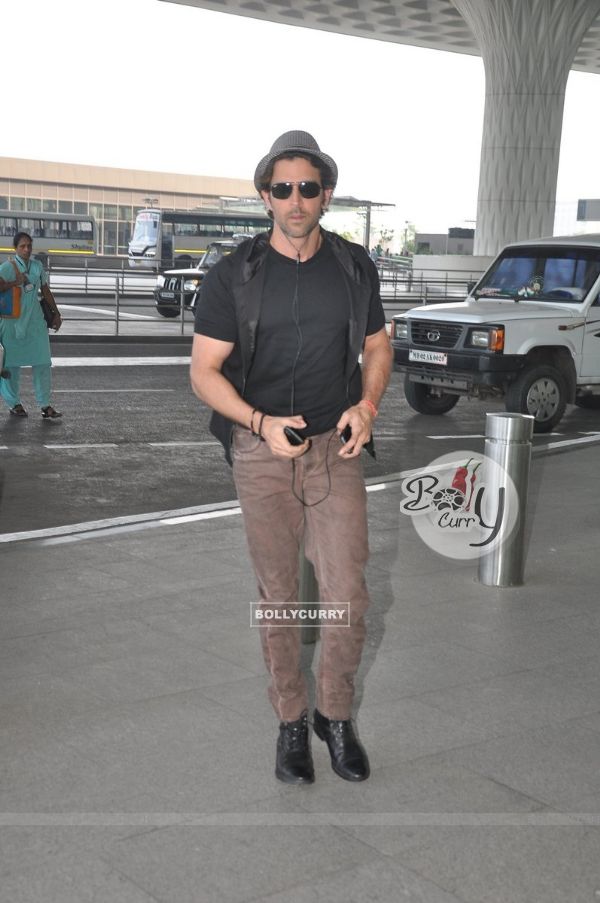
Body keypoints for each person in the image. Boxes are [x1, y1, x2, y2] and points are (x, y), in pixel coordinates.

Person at [190, 131, 392, 785]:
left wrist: (368, 405)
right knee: (279, 597)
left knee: (348, 596)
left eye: (309, 187)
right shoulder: (234, 273)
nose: (296, 199)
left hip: (337, 448)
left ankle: (334, 715)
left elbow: (379, 346)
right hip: (261, 452)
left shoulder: (355, 267)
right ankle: (289, 721)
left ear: (325, 195)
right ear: (265, 196)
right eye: (283, 188)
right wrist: (258, 421)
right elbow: (204, 371)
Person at [0, 232, 63, 418]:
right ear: (15, 248)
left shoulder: (37, 267)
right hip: (12, 322)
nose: (27, 249)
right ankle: (14, 403)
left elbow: (45, 290)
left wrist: (56, 313)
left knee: (43, 362)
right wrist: (13, 283)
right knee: (11, 366)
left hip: (35, 321)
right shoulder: (7, 267)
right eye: (22, 246)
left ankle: (45, 405)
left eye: (29, 245)